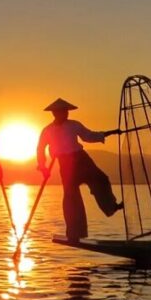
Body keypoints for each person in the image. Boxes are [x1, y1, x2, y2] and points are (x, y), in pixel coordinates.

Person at [36, 98, 122, 242]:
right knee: (71, 198)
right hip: (66, 165)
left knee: (101, 179)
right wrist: (43, 166)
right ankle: (74, 233)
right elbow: (40, 149)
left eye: (66, 111)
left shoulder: (73, 125)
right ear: (55, 113)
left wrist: (108, 133)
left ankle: (111, 207)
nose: (66, 114)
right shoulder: (47, 130)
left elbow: (88, 136)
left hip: (81, 160)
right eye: (63, 111)